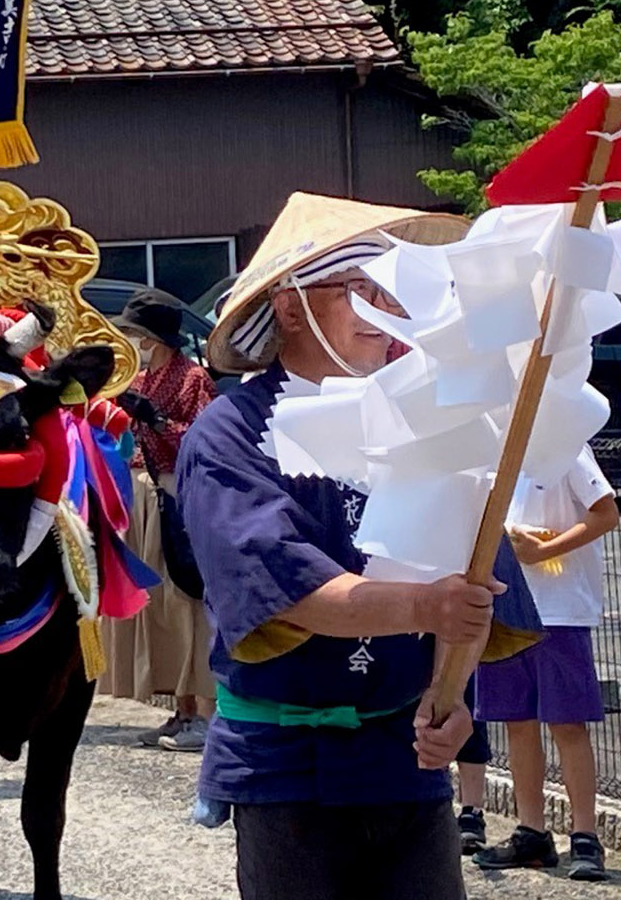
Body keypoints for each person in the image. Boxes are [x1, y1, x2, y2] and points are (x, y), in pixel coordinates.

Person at [178, 193, 500, 900]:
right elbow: (287, 588)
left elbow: (473, 584)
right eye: (361, 290)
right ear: (290, 308)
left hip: (405, 759)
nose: (385, 311)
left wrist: (451, 696)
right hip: (287, 767)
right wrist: (426, 605)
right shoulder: (230, 433)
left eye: (394, 293)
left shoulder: (425, 417)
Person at [470, 447, 618, 880]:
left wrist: (545, 549)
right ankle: (531, 830)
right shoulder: (490, 447)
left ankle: (585, 835)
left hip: (560, 608)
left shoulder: (566, 445)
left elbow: (606, 513)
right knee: (517, 721)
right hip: (506, 602)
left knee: (567, 723)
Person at [108, 287, 218, 752]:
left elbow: (206, 440)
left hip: (176, 490)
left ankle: (203, 712)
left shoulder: (193, 379)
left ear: (155, 338)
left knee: (184, 597)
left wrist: (157, 421)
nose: (133, 341)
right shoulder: (139, 378)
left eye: (137, 334)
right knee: (158, 605)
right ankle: (181, 708)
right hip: (143, 493)